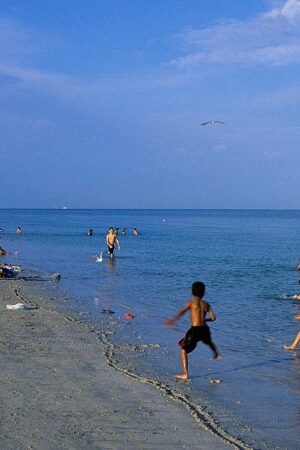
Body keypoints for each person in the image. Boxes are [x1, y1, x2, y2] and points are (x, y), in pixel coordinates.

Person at [164, 281, 221, 380]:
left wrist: (172, 320)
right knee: (208, 341)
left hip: (194, 330)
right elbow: (213, 318)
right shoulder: (206, 304)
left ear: (192, 292)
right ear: (204, 292)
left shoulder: (190, 303)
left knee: (183, 349)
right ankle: (216, 353)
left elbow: (182, 312)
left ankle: (185, 374)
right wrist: (205, 319)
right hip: (204, 329)